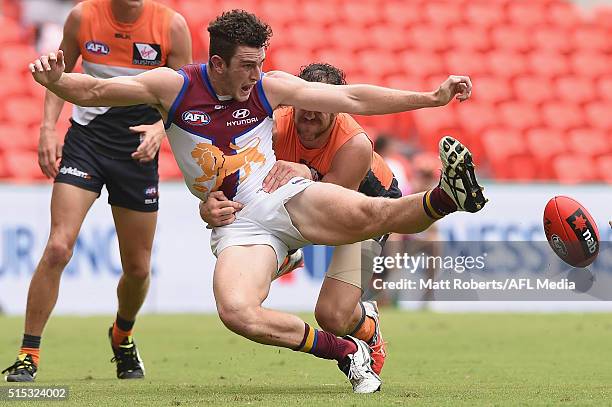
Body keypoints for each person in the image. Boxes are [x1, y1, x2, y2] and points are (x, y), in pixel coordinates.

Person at [26, 10, 486, 393]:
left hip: (280, 197)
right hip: (239, 228)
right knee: (237, 313)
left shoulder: (269, 87)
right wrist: (57, 81)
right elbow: (94, 91)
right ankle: (346, 350)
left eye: (260, 63)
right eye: (247, 64)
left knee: (369, 215)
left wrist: (430, 97)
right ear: (218, 63)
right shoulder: (173, 87)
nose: (256, 73)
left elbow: (351, 96)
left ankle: (447, 195)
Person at [2, 0, 192, 382]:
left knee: (137, 270)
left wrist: (159, 129)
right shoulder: (83, 16)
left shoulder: (171, 26)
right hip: (86, 142)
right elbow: (60, 74)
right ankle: (28, 354)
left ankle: (122, 335)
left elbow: (186, 94)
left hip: (137, 151)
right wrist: (48, 127)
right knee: (58, 247)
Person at [199, 62, 404, 376]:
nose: (309, 114)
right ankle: (285, 254)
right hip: (301, 203)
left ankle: (368, 327)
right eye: (303, 105)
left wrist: (310, 173)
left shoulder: (354, 145)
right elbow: (238, 180)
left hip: (367, 207)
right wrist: (207, 205)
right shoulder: (274, 126)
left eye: (320, 108)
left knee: (333, 317)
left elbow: (336, 214)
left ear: (337, 109)